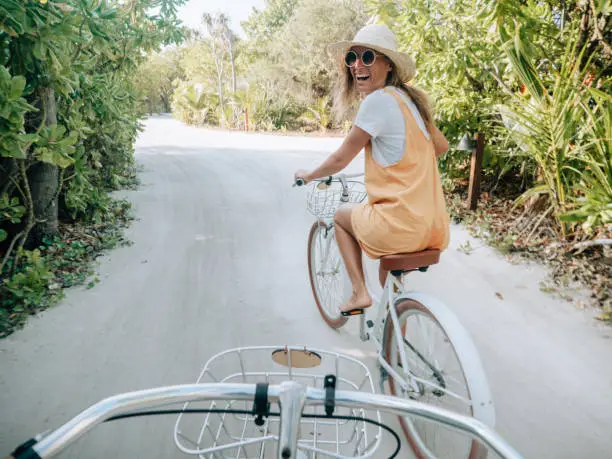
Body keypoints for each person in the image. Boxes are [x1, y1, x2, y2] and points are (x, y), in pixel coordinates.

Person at [294, 24, 451, 316]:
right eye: (351, 58)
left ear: (387, 64)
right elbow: (439, 146)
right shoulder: (411, 101)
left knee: (341, 218)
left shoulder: (377, 102)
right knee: (390, 278)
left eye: (367, 57)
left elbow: (341, 159)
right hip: (431, 225)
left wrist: (309, 175)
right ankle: (394, 341)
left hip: (399, 226)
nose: (357, 65)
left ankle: (359, 293)